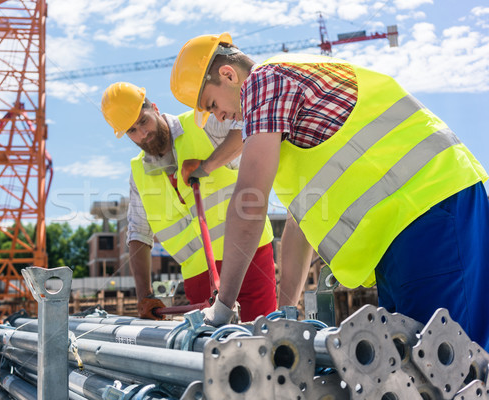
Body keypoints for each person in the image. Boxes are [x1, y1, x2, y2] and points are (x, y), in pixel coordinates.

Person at [169, 33, 489, 351]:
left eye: (212, 105)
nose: (219, 117)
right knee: (420, 366)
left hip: (428, 212)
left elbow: (248, 200)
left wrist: (222, 307)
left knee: (447, 366)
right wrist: (285, 314)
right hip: (412, 225)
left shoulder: (265, 80)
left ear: (227, 74)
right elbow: (300, 226)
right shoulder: (286, 103)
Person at [100, 82, 278, 321]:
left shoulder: (202, 123)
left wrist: (208, 165)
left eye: (143, 121)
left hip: (250, 258)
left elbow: (247, 127)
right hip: (198, 277)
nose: (142, 134)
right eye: (132, 131)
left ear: (154, 107)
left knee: (263, 336)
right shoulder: (138, 173)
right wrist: (144, 295)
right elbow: (138, 235)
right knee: (211, 351)